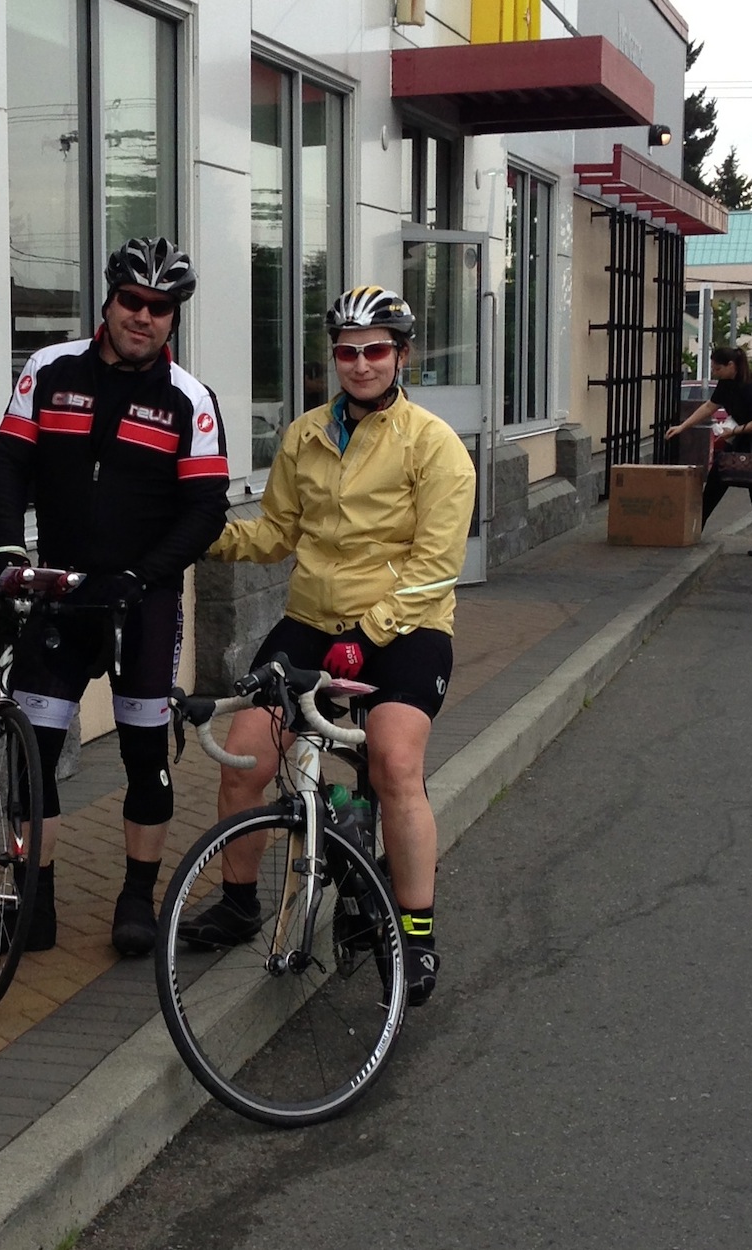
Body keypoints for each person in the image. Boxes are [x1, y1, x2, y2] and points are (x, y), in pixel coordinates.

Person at [181, 285, 477, 1006]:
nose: (361, 364)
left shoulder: (434, 445)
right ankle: (240, 903)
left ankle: (415, 933)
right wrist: (199, 535)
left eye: (376, 350)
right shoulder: (305, 435)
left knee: (395, 763)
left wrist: (368, 636)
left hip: (406, 627)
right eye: (347, 352)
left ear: (402, 356)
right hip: (313, 619)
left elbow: (435, 567)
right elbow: (276, 533)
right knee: (246, 760)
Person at [0, 237, 230, 957]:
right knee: (33, 755)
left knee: (146, 757)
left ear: (173, 318)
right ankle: (35, 911)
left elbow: (205, 510)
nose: (143, 316)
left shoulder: (190, 400)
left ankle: (136, 901)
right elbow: (8, 463)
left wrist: (141, 576)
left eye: (160, 307)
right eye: (132, 300)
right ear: (109, 300)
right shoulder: (49, 369)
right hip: (60, 594)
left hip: (142, 602)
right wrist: (8, 549)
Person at [666, 345, 752, 557]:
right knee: (717, 480)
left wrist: (733, 431)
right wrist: (683, 426)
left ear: (731, 365)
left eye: (717, 368)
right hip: (744, 435)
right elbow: (709, 406)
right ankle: (692, 529)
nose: (715, 373)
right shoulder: (726, 382)